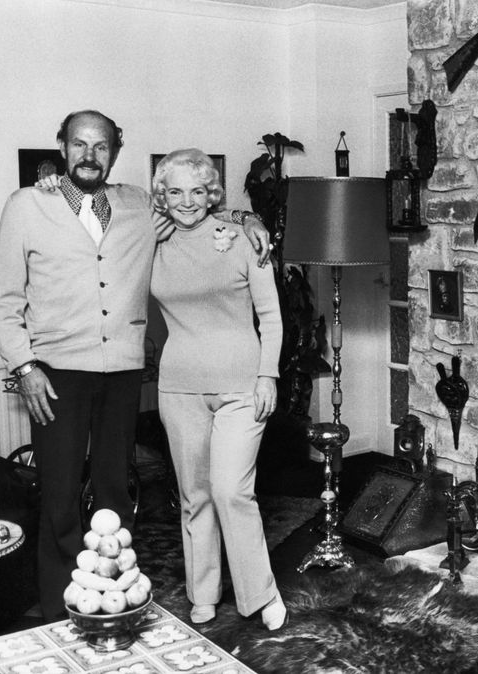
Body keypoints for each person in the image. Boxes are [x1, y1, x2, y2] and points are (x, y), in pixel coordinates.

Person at [0, 110, 269, 622]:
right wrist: (25, 366)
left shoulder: (140, 204)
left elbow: (202, 208)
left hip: (121, 372)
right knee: (59, 493)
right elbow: (4, 299)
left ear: (115, 150)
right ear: (62, 146)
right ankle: (60, 608)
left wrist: (250, 221)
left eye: (100, 146)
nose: (88, 155)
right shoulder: (28, 205)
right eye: (79, 144)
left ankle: (114, 599)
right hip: (55, 374)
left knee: (115, 489)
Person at [149, 148, 286, 630]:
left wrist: (267, 374)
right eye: (174, 191)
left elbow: (270, 316)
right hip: (179, 387)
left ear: (212, 192)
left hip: (241, 386)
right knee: (195, 495)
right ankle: (201, 592)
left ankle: (260, 594)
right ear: (160, 195)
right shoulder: (150, 243)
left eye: (197, 190)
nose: (187, 201)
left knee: (232, 491)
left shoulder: (244, 238)